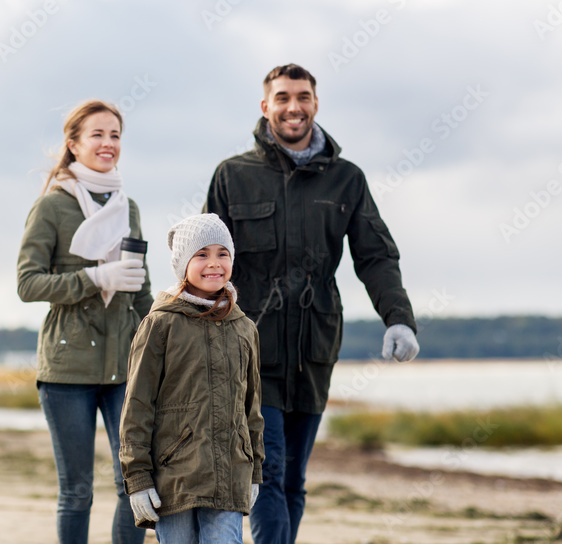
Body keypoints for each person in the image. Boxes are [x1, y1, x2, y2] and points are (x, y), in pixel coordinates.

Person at [204, 63, 420, 544]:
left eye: (302, 97)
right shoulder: (233, 176)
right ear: (266, 107)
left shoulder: (346, 179)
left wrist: (398, 320)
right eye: (282, 98)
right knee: (270, 472)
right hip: (251, 348)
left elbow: (376, 255)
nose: (293, 107)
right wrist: (195, 325)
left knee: (294, 480)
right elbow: (205, 262)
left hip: (316, 348)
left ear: (315, 104)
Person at [17, 99, 153, 544]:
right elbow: (28, 283)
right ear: (73, 144)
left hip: (124, 367)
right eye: (97, 134)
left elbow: (141, 289)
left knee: (133, 487)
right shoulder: (52, 207)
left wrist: (161, 340)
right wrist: (94, 277)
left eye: (115, 135)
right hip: (67, 368)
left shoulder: (127, 206)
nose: (108, 143)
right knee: (76, 492)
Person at [119, 213, 265, 544]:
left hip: (230, 476)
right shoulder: (160, 325)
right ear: (183, 264)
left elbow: (251, 408)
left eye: (222, 253)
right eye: (202, 254)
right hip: (174, 477)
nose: (213, 263)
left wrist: (254, 471)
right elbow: (137, 407)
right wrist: (138, 478)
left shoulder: (244, 328)